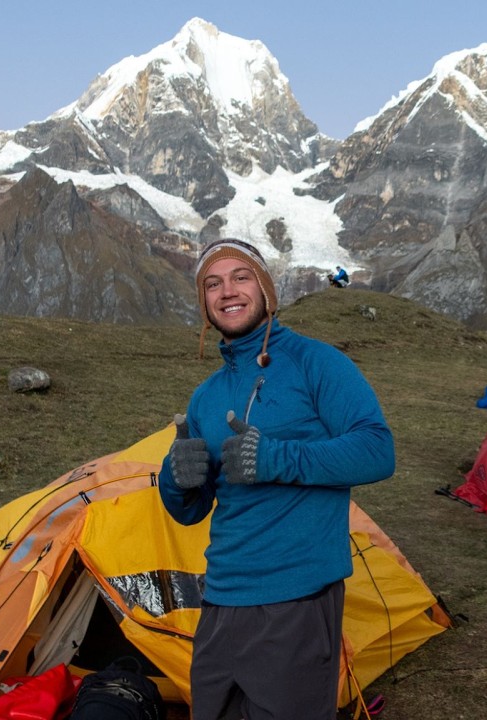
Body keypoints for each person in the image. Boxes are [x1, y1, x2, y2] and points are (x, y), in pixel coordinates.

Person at [159, 238, 395, 720]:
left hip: (297, 598)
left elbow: (377, 451)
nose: (228, 291)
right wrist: (175, 479)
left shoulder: (316, 363)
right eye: (213, 283)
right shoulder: (207, 395)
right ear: (204, 302)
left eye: (241, 277)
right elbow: (191, 510)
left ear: (265, 288)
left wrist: (276, 459)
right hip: (220, 598)